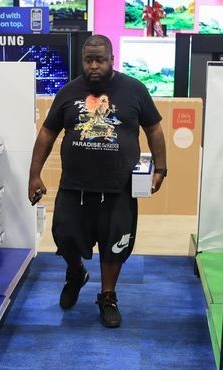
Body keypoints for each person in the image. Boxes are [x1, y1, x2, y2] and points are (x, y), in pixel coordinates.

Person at [28, 34, 167, 328]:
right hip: (74, 186)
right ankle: (76, 272)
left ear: (112, 59)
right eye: (88, 60)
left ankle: (107, 297)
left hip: (119, 188)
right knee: (65, 238)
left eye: (99, 60)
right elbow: (47, 134)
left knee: (114, 245)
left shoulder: (134, 89)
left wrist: (161, 169)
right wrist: (34, 174)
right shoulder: (68, 92)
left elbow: (154, 130)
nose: (93, 66)